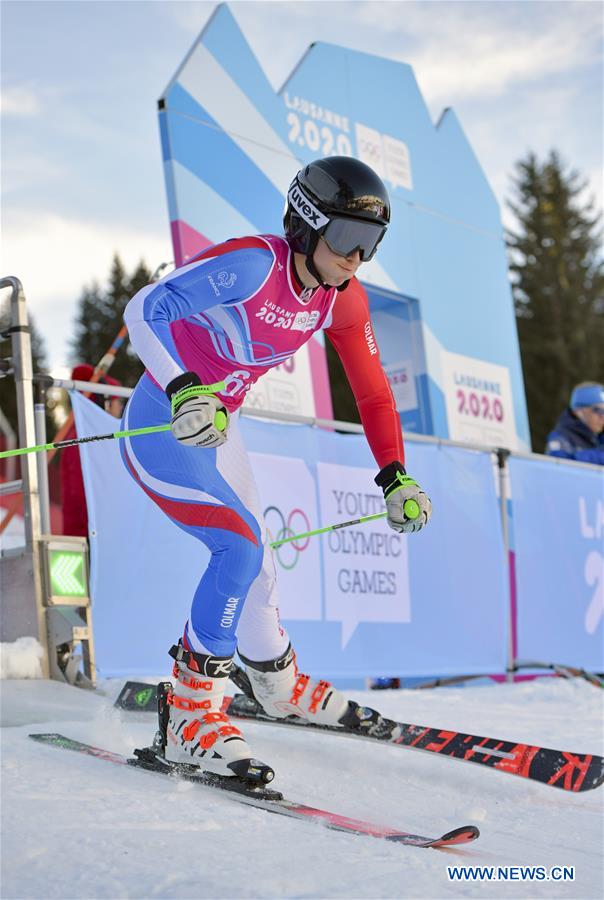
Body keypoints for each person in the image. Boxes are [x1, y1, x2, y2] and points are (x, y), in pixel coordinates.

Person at [121, 156, 432, 781]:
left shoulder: (341, 301)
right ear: (308, 224)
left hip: (217, 427)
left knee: (256, 558)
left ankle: (275, 682)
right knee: (236, 550)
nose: (356, 258)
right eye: (346, 238)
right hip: (163, 423)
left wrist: (394, 473)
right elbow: (143, 309)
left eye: (371, 244)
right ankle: (188, 713)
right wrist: (182, 388)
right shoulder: (252, 265)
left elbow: (373, 394)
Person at [61, 365, 124, 536]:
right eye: (118, 401)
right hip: (89, 538)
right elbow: (84, 495)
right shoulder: (82, 439)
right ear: (104, 403)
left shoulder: (96, 439)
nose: (120, 409)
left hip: (100, 534)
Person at [545, 382, 604, 466]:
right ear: (579, 412)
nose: (602, 417)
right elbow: (559, 464)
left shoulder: (599, 438)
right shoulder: (561, 437)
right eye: (598, 410)